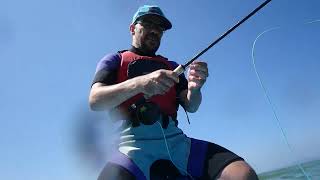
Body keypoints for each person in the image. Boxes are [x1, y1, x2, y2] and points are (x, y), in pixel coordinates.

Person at [89, 5, 258, 180]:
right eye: (148, 23)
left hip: (177, 143)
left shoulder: (171, 66)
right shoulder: (114, 60)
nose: (155, 30)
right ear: (132, 28)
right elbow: (95, 100)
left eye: (160, 28)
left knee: (243, 174)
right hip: (130, 146)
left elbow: (191, 106)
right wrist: (140, 83)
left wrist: (195, 88)